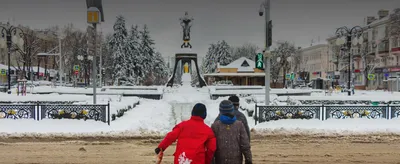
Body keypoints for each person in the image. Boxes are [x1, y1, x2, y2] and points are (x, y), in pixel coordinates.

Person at [212, 100, 252, 164]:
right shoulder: (239, 125)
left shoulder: (215, 126)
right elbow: (245, 145)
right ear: (232, 111)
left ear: (220, 111)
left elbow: (212, 147)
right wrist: (248, 160)